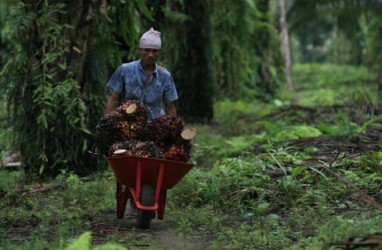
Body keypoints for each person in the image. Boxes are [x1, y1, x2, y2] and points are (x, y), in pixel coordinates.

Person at [104, 27, 178, 120]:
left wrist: (174, 129)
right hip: (128, 126)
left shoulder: (164, 75)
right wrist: (106, 123)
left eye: (155, 51)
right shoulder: (125, 70)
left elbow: (169, 106)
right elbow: (114, 99)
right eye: (147, 50)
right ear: (140, 50)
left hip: (155, 127)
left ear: (159, 52)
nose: (151, 55)